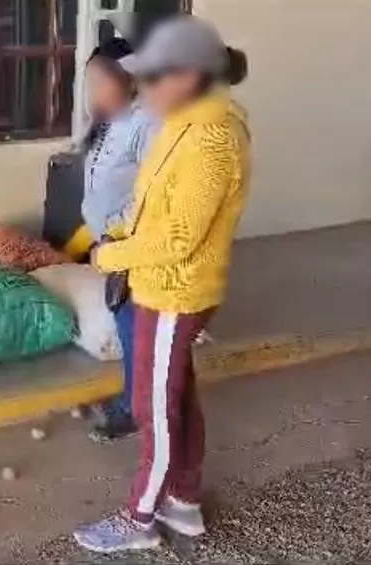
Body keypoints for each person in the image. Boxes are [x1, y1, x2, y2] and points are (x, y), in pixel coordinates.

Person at [73, 15, 251, 553]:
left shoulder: (213, 138)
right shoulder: (181, 124)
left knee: (155, 408)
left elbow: (178, 237)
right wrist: (119, 234)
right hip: (157, 281)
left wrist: (114, 256)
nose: (143, 88)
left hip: (174, 290)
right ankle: (185, 502)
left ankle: (141, 518)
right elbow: (151, 205)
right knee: (177, 397)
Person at [79, 37, 158, 444]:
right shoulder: (108, 121)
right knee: (126, 324)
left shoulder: (146, 123)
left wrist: (116, 234)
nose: (92, 92)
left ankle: (136, 409)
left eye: (99, 82)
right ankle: (133, 397)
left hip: (129, 246)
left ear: (127, 79)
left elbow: (153, 194)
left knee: (133, 328)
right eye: (88, 82)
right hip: (108, 246)